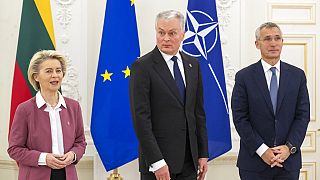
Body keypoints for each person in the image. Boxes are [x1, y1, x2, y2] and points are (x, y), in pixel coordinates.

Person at [129, 10, 208, 180]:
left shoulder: (193, 64)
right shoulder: (141, 67)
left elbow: (198, 113)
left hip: (190, 162)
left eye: (172, 33)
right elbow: (140, 119)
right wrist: (157, 162)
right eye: (161, 32)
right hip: (158, 164)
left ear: (182, 35)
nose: (165, 38)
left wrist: (202, 153)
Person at [231, 22, 310, 179]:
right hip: (254, 163)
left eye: (277, 38)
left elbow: (302, 116)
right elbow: (240, 118)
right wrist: (262, 150)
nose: (273, 43)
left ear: (282, 42)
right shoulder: (244, 77)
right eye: (267, 38)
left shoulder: (297, 75)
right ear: (257, 44)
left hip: (288, 162)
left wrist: (289, 148)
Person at [8, 50, 87, 180]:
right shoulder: (24, 109)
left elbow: (80, 142)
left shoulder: (74, 107)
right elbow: (14, 149)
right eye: (49, 71)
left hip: (68, 175)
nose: (55, 75)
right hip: (35, 175)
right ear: (36, 77)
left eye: (58, 70)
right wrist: (44, 158)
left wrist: (73, 155)